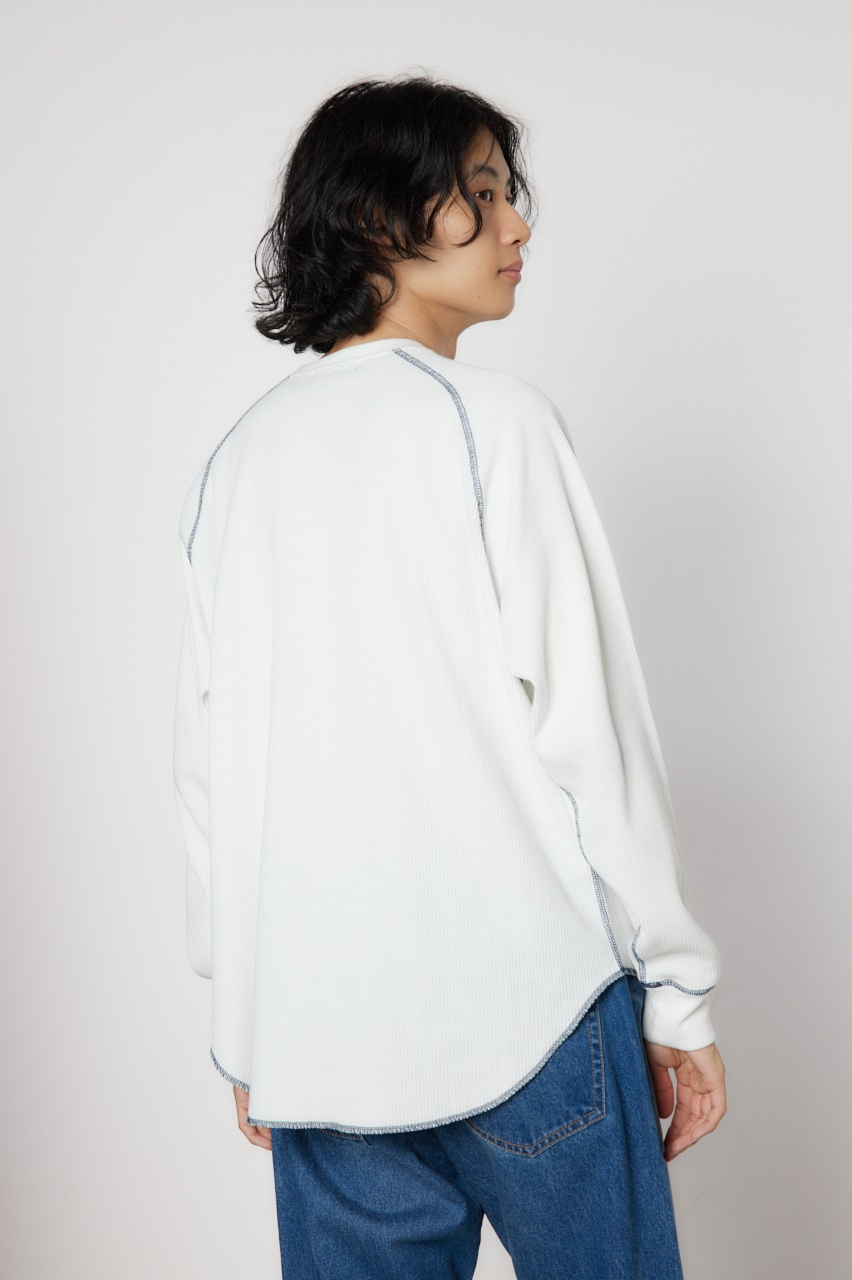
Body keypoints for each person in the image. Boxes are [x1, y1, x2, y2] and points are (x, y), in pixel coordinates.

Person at [173, 73, 726, 1279]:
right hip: (533, 1016)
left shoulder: (237, 461)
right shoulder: (495, 422)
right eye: (480, 193)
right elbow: (593, 731)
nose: (517, 223)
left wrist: (245, 1020)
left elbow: (209, 768)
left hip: (320, 1036)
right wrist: (677, 994)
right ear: (380, 216)